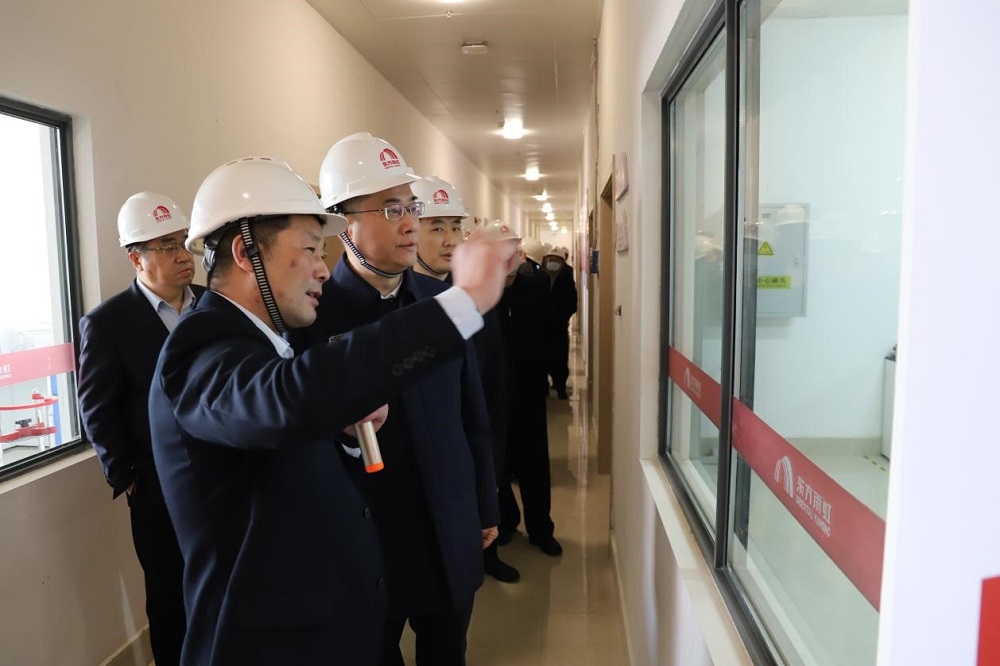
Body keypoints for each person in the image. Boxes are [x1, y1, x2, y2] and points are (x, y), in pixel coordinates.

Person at [148, 156, 518, 666]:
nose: (323, 268)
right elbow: (284, 399)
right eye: (308, 249)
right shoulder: (201, 348)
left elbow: (277, 439)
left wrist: (343, 433)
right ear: (246, 252)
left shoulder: (263, 343)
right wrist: (463, 302)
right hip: (264, 645)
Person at [295, 132, 499, 665]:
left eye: (411, 207)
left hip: (446, 526)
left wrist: (484, 503)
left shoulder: (443, 302)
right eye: (391, 209)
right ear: (344, 223)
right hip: (367, 538)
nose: (410, 223)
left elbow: (472, 416)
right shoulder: (312, 317)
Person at [77, 192, 204, 666]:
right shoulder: (108, 323)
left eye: (183, 242)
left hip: (228, 476)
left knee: (227, 588)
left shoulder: (214, 304)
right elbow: (97, 410)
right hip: (157, 489)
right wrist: (127, 476)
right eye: (166, 246)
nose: (182, 255)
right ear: (136, 258)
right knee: (170, 599)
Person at [409, 180, 521, 584]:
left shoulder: (476, 299)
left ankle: (488, 555)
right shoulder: (404, 307)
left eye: (456, 227)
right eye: (437, 227)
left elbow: (492, 390)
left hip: (474, 445)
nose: (450, 240)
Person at [496, 248, 563, 557]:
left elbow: (552, 330)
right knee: (498, 464)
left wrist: (545, 372)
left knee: (534, 463)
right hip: (495, 393)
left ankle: (541, 529)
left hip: (530, 391)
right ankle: (506, 520)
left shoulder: (535, 288)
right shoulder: (482, 292)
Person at [541, 246, 578, 399]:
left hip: (559, 327)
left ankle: (560, 386)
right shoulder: (540, 277)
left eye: (556, 260)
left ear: (562, 263)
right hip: (542, 327)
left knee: (560, 357)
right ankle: (543, 385)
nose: (552, 262)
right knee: (542, 357)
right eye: (550, 259)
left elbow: (573, 304)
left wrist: (562, 317)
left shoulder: (567, 279)